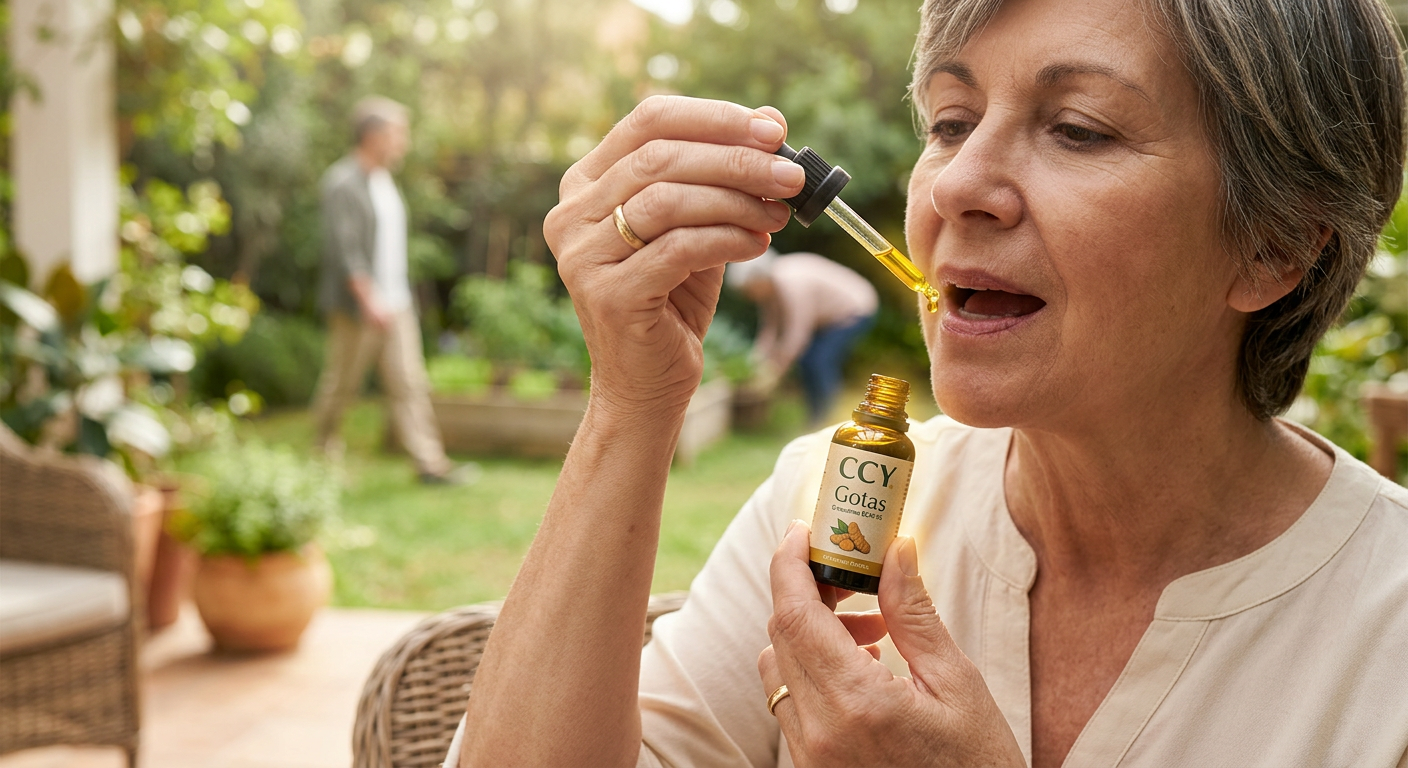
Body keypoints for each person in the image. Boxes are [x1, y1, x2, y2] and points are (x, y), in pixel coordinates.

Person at [453, 0, 1408, 765]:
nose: (957, 185)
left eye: (1077, 130)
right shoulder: (830, 500)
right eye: (952, 122)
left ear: (1276, 246)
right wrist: (632, 403)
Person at [312, 96, 471, 485]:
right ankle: (322, 457)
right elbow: (345, 250)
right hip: (359, 306)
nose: (403, 142)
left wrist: (394, 299)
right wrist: (368, 299)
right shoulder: (342, 183)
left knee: (410, 383)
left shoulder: (384, 181)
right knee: (342, 385)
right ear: (372, 135)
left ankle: (429, 464)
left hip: (396, 303)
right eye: (397, 134)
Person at [727, 249, 878, 426]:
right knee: (807, 361)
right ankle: (815, 416)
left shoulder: (793, 284)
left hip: (854, 309)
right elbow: (770, 329)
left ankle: (827, 418)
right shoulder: (771, 289)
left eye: (748, 290)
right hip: (826, 317)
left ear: (759, 279)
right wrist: (757, 361)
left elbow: (798, 334)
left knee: (819, 361)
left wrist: (776, 370)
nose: (748, 296)